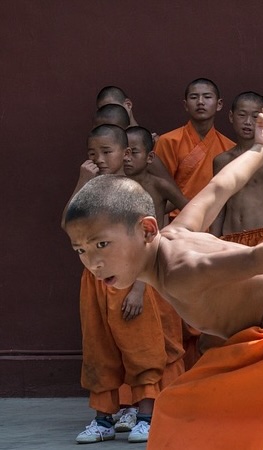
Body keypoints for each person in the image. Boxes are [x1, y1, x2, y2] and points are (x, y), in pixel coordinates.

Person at [65, 103, 263, 449]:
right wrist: (262, 148)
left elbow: (257, 258)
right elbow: (221, 187)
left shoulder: (180, 270)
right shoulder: (176, 232)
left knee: (180, 410)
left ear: (147, 230)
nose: (93, 262)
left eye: (102, 244)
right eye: (81, 251)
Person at [70, 125, 171, 444]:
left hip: (131, 276)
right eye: (92, 154)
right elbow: (69, 225)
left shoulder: (134, 190)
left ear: (126, 154)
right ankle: (103, 420)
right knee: (98, 348)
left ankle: (145, 417)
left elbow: (150, 240)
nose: (98, 159)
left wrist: (140, 288)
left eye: (106, 152)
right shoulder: (89, 188)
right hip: (94, 279)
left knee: (141, 347)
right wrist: (82, 183)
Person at [122, 125, 188, 393]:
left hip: (156, 269)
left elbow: (190, 207)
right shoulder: (115, 188)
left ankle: (170, 396)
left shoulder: (158, 186)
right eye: (123, 152)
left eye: (133, 152)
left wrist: (171, 233)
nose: (126, 158)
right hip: (123, 268)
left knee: (167, 337)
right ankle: (133, 403)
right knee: (131, 337)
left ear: (149, 157)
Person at [211, 92, 263, 247]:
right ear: (231, 117)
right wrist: (211, 243)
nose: (248, 122)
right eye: (242, 115)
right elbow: (218, 210)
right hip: (229, 238)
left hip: (262, 236)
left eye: (255, 117)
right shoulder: (221, 161)